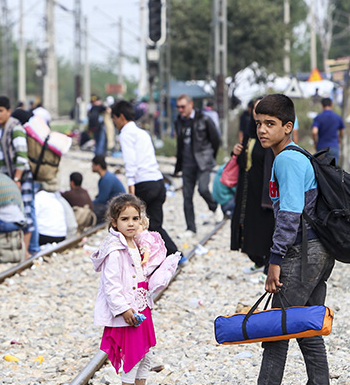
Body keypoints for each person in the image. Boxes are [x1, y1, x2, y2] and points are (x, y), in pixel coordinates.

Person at [223, 94, 335, 385]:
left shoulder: (286, 160)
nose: (262, 130)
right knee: (307, 330)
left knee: (277, 331)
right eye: (259, 123)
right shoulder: (297, 156)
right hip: (318, 250)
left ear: (289, 126)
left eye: (271, 123)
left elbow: (288, 217)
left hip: (301, 254)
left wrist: (274, 261)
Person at [90, 194, 179, 385]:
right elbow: (111, 284)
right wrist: (123, 310)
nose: (131, 223)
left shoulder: (138, 243)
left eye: (135, 218)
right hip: (129, 310)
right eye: (125, 219)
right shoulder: (114, 249)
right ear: (114, 222)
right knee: (134, 353)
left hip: (142, 305)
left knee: (146, 352)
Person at [112, 99, 179, 256]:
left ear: (121, 116)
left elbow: (131, 162)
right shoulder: (143, 133)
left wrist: (131, 189)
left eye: (114, 119)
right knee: (155, 224)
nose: (115, 123)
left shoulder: (126, 134)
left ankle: (146, 258)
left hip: (144, 184)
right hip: (158, 182)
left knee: (136, 226)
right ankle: (174, 254)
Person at [230, 98, 275, 274]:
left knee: (265, 228)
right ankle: (258, 260)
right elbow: (244, 162)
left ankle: (267, 264)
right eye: (256, 111)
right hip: (247, 191)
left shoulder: (271, 138)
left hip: (264, 192)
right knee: (246, 227)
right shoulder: (250, 135)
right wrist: (236, 152)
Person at [0, 95, 37, 256]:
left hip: (21, 178)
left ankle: (28, 251)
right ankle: (23, 250)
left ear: (8, 111)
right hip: (8, 180)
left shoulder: (15, 128)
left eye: (0, 111)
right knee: (16, 211)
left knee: (26, 212)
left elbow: (21, 156)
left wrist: (17, 178)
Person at [173, 94, 222, 236]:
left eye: (182, 106)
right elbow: (180, 144)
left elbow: (215, 140)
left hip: (203, 163)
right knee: (187, 197)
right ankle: (191, 228)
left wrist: (209, 157)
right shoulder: (179, 122)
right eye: (178, 107)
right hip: (187, 164)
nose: (180, 110)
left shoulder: (204, 119)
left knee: (203, 188)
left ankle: (214, 207)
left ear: (190, 104)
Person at [90, 154, 125, 223]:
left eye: (93, 164)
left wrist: (89, 203)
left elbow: (102, 199)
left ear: (98, 166)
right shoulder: (106, 177)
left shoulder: (106, 179)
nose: (91, 166)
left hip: (118, 206)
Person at [311, 98, 345, 165]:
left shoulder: (318, 118)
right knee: (333, 171)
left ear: (322, 105)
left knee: (321, 170)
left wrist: (315, 143)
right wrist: (339, 140)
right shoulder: (337, 117)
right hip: (334, 146)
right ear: (331, 105)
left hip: (321, 147)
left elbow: (314, 131)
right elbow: (342, 132)